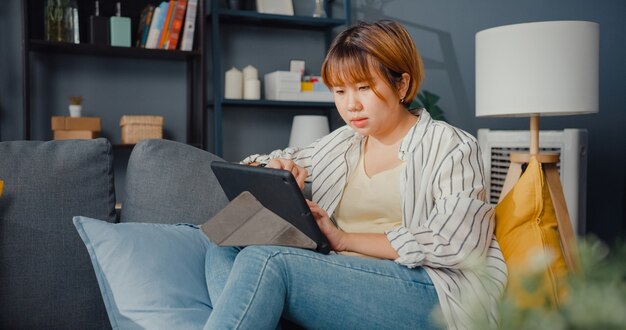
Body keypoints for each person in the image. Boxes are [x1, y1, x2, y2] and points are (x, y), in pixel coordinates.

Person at [202, 20, 507, 329]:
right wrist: (275, 169)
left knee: (265, 261)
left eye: (364, 87)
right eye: (340, 90)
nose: (351, 105)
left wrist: (345, 240)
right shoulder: (344, 142)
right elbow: (269, 160)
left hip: (432, 290)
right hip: (343, 275)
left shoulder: (452, 145)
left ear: (401, 85)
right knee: (223, 243)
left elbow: (457, 243)